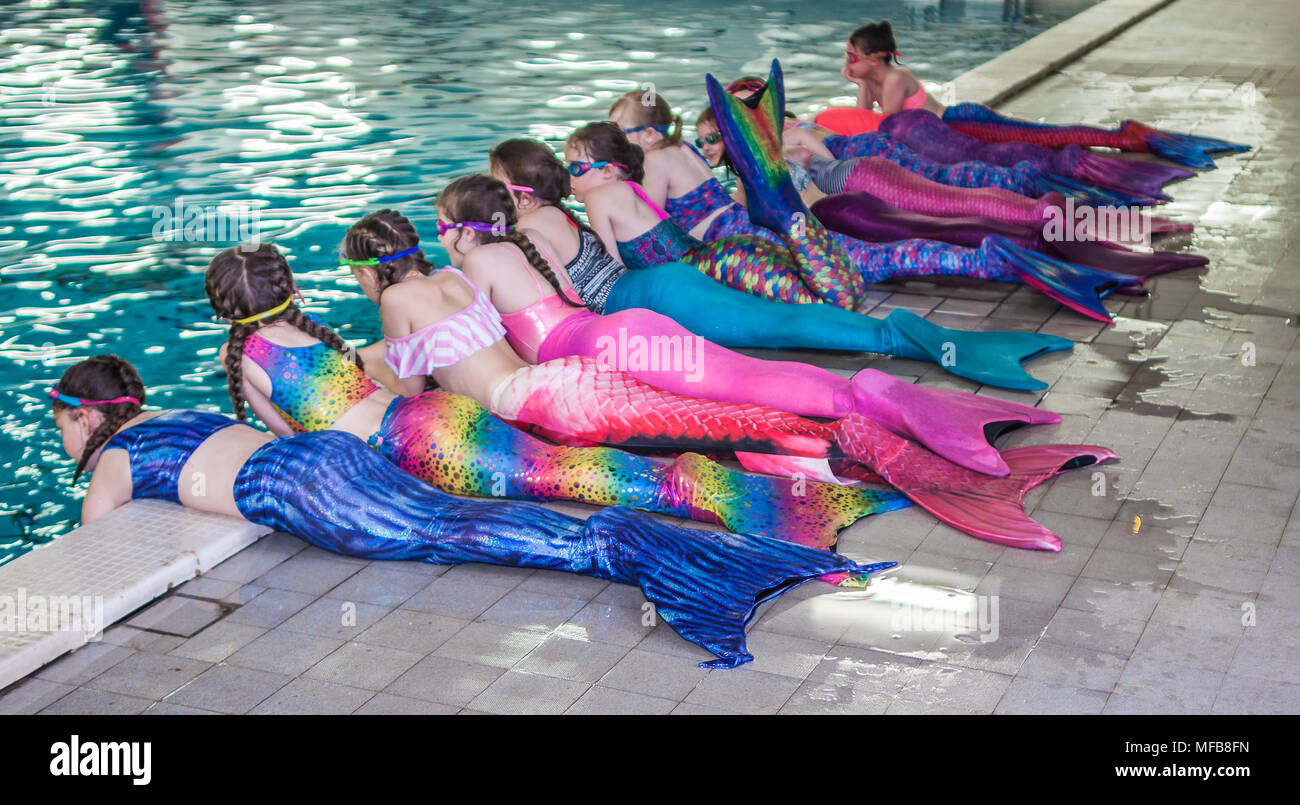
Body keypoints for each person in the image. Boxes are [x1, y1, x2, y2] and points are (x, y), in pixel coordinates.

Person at [341, 207, 1117, 551]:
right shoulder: (453, 274)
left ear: (372, 270)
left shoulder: (407, 297)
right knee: (745, 394)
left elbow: (418, 390)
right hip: (595, 358)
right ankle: (868, 416)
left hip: (564, 386)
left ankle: (850, 440)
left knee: (723, 417)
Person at [50, 355, 891, 668]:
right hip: (325, 460)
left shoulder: (117, 454)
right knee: (461, 517)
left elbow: (96, 549)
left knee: (464, 532)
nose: (63, 432)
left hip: (309, 492)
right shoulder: (172, 419)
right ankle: (675, 542)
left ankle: (657, 557)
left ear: (87, 415)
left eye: (64, 419)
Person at [203, 242, 908, 552]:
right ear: (288, 289)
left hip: (417, 443)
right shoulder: (316, 336)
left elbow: (299, 445)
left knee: (592, 477)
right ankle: (809, 471)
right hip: (438, 416)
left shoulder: (250, 360)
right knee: (594, 466)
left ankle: (785, 501)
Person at [436, 173, 1060, 477]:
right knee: (752, 373)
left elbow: (471, 341)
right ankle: (881, 395)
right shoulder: (528, 248)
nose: (441, 239)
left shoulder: (473, 269)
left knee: (745, 387)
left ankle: (870, 402)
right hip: (626, 325)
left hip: (606, 344)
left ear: (461, 230)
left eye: (442, 227)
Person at [488, 136, 1075, 391]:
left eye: (494, 186)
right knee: (778, 322)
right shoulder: (563, 212)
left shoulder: (532, 227)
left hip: (648, 299)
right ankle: (925, 339)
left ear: (514, 190)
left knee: (779, 326)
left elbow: (566, 302)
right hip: (663, 284)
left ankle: (926, 343)